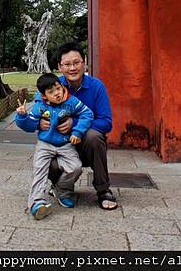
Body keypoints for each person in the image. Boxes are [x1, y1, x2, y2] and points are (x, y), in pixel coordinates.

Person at [41, 42, 117, 210]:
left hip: (87, 147)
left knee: (94, 136)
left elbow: (106, 122)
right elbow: (38, 111)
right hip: (61, 145)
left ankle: (103, 190)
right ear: (60, 67)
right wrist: (40, 121)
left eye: (76, 63)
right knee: (45, 154)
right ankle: (60, 186)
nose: (72, 68)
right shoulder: (53, 86)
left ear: (84, 63)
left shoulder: (97, 87)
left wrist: (74, 124)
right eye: (67, 64)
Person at [15, 72, 93, 220]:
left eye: (58, 88)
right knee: (40, 169)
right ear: (44, 96)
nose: (57, 93)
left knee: (75, 168)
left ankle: (61, 190)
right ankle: (37, 203)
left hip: (65, 144)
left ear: (62, 86)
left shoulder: (72, 101)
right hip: (45, 144)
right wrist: (22, 116)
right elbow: (30, 126)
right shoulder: (40, 106)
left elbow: (87, 114)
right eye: (51, 92)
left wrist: (77, 131)